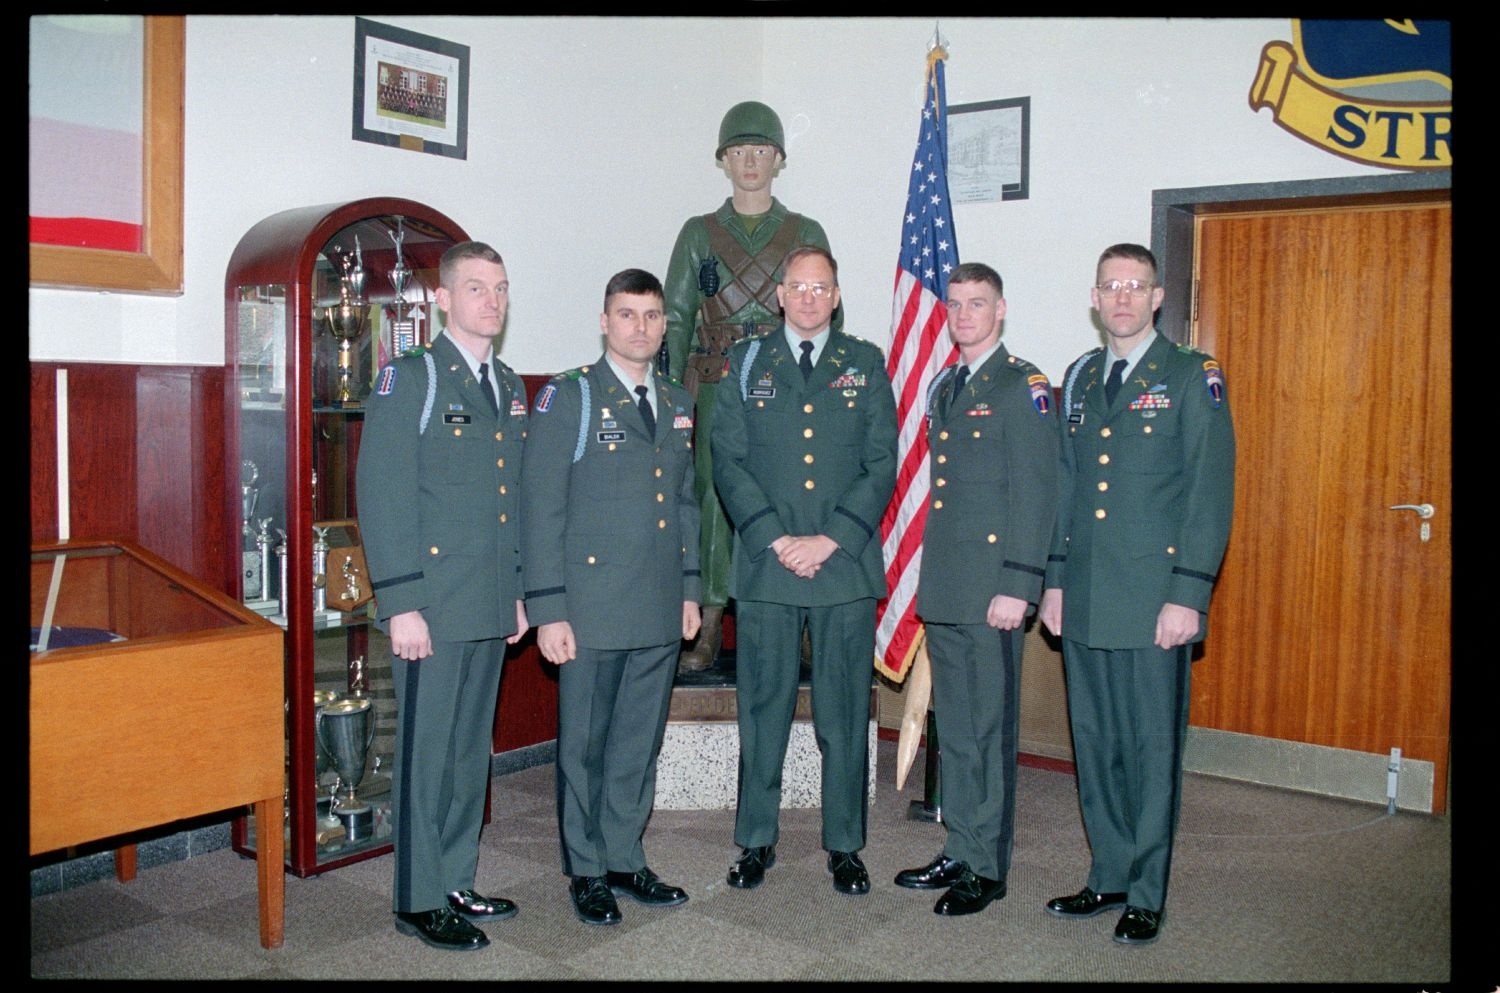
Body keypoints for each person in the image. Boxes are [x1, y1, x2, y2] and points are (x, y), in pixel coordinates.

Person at [1039, 242, 1236, 945]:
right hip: (1087, 595)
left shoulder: (1190, 376)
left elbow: (1208, 493)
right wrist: (1054, 580)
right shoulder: (1081, 377)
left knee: (1152, 748)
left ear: (1157, 298)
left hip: (1156, 599)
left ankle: (1148, 890)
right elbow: (1066, 489)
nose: (1122, 297)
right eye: (1110, 285)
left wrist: (1190, 593)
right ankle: (1109, 872)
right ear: (1094, 298)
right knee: (1094, 742)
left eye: (1136, 285)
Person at [356, 240, 530, 952]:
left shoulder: (510, 384)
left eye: (500, 288)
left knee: (467, 753)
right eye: (476, 288)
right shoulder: (413, 377)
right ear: (444, 299)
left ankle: (456, 876)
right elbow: (383, 491)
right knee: (427, 756)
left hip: (487, 602)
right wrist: (400, 601)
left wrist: (516, 594)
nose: (491, 301)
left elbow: (509, 499)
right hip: (430, 603)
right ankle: (418, 897)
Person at [712, 246, 897, 895]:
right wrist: (774, 536)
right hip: (770, 566)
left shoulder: (864, 363)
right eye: (800, 286)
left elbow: (882, 462)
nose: (811, 297)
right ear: (782, 295)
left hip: (842, 568)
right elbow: (727, 459)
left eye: (822, 287)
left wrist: (832, 539)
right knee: (763, 708)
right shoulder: (748, 361)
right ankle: (756, 839)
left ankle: (845, 844)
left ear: (836, 295)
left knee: (844, 713)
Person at [520, 269, 701, 926]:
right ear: (604, 321)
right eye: (628, 315)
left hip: (655, 602)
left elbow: (683, 502)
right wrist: (549, 608)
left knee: (636, 741)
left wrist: (689, 588)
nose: (642, 327)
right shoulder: (571, 396)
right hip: (589, 603)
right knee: (587, 745)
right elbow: (541, 507)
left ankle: (626, 854)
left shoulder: (679, 400)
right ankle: (587, 867)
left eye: (652, 316)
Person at [894, 263, 1058, 916]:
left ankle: (987, 866)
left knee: (987, 731)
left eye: (977, 303)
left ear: (1001, 310)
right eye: (956, 303)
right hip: (950, 585)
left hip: (993, 591)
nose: (964, 314)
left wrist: (1019, 585)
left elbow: (1037, 492)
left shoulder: (1022, 386)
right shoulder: (947, 386)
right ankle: (959, 845)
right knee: (955, 730)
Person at [664, 100, 838, 671]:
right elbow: (676, 316)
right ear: (724, 160)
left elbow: (825, 308)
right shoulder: (699, 233)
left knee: (795, 487)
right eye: (739, 151)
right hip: (716, 382)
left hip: (787, 382)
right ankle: (709, 619)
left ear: (778, 159)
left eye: (761, 150)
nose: (750, 162)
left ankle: (799, 611)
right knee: (715, 494)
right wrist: (670, 400)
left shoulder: (805, 231)